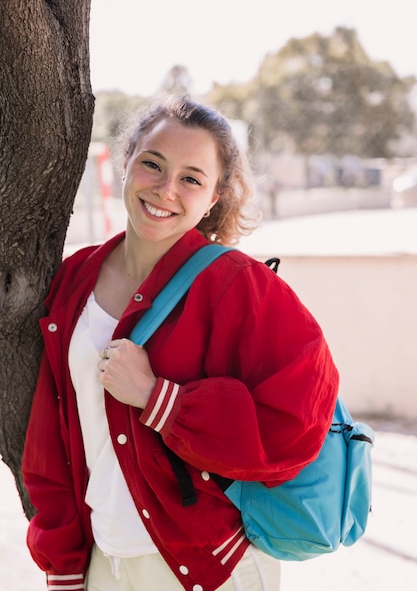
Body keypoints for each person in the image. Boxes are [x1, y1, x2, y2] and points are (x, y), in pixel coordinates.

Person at [22, 95, 339, 591]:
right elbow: (52, 441)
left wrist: (160, 400)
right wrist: (62, 565)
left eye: (192, 178)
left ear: (212, 198)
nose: (166, 189)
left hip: (208, 564)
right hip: (105, 561)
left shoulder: (240, 286)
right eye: (153, 164)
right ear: (126, 163)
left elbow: (298, 426)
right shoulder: (74, 278)